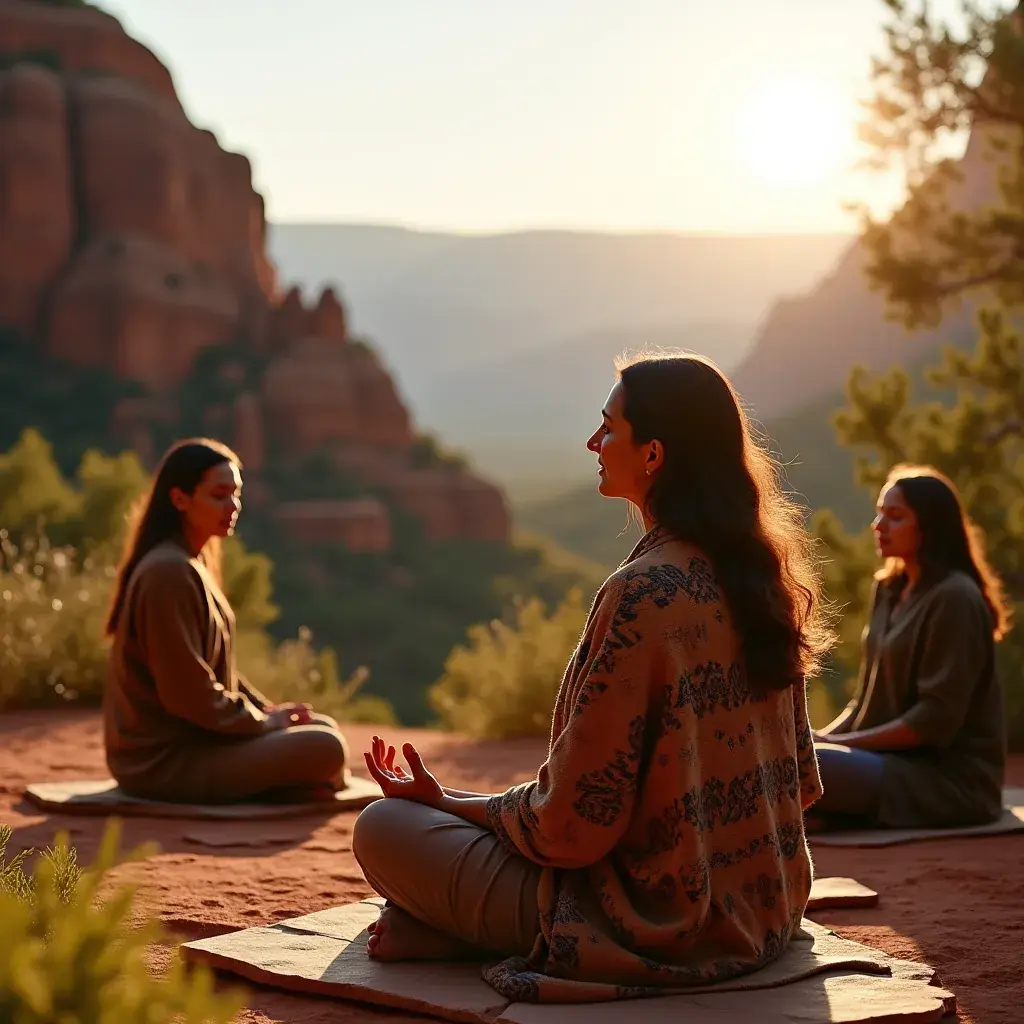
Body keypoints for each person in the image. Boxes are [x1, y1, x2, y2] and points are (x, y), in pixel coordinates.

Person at [352, 353, 834, 1003]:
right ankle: (458, 929)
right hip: (766, 907)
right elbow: (801, 780)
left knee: (383, 828)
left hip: (653, 923)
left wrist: (452, 806)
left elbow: (571, 828)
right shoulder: (763, 578)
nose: (593, 443)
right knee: (426, 826)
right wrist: (455, 800)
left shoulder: (643, 593)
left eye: (609, 428)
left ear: (654, 455)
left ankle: (490, 934)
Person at [103, 438, 349, 804]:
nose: (232, 506)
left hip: (201, 743)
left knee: (321, 728)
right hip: (163, 763)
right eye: (219, 495)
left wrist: (267, 712)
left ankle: (292, 781)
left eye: (235, 494)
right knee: (325, 746)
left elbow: (216, 674)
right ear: (180, 499)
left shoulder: (190, 563)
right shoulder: (167, 571)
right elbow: (188, 695)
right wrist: (264, 724)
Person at [812, 464, 1009, 831]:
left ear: (929, 527)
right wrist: (820, 738)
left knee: (808, 767)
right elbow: (863, 703)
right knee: (795, 757)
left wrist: (831, 748)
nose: (878, 525)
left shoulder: (955, 598)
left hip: (947, 781)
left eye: (895, 516)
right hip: (887, 764)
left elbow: (932, 721)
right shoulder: (888, 589)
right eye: (879, 512)